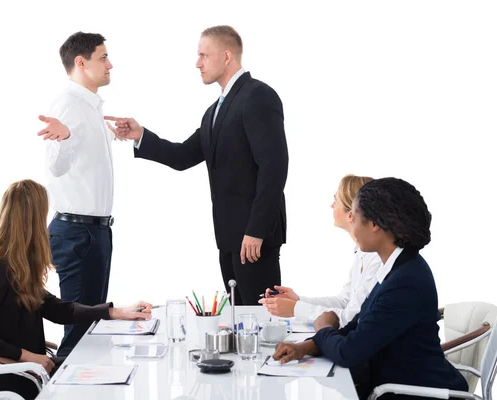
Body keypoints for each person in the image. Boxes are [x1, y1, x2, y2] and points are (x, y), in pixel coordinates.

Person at [106, 25, 289, 305]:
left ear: (226, 56)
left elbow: (274, 167)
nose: (197, 63)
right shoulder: (213, 112)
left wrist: (256, 230)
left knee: (259, 320)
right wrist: (139, 134)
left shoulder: (257, 96)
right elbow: (182, 156)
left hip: (254, 238)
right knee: (239, 319)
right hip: (229, 237)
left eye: (204, 55)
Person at [0, 180, 152, 399]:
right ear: (33, 221)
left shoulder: (18, 264)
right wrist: (25, 356)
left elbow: (58, 309)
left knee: (111, 372)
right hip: (4, 381)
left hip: (27, 372)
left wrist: (115, 312)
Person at [272, 178, 467, 399]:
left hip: (418, 393)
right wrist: (304, 348)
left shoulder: (406, 280)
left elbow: (349, 352)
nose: (351, 223)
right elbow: (357, 326)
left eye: (354, 217)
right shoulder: (397, 267)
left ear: (374, 224)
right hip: (394, 385)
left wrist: (324, 326)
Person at [36, 31, 118, 356]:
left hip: (92, 232)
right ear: (81, 63)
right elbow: (55, 167)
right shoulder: (69, 106)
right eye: (103, 57)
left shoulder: (90, 107)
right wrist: (66, 135)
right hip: (78, 233)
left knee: (91, 328)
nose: (110, 64)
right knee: (80, 335)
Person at [259, 174, 382, 329]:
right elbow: (344, 301)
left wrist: (296, 309)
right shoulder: (362, 252)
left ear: (350, 214)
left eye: (335, 201)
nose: (331, 206)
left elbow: (351, 317)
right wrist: (298, 300)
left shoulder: (378, 259)